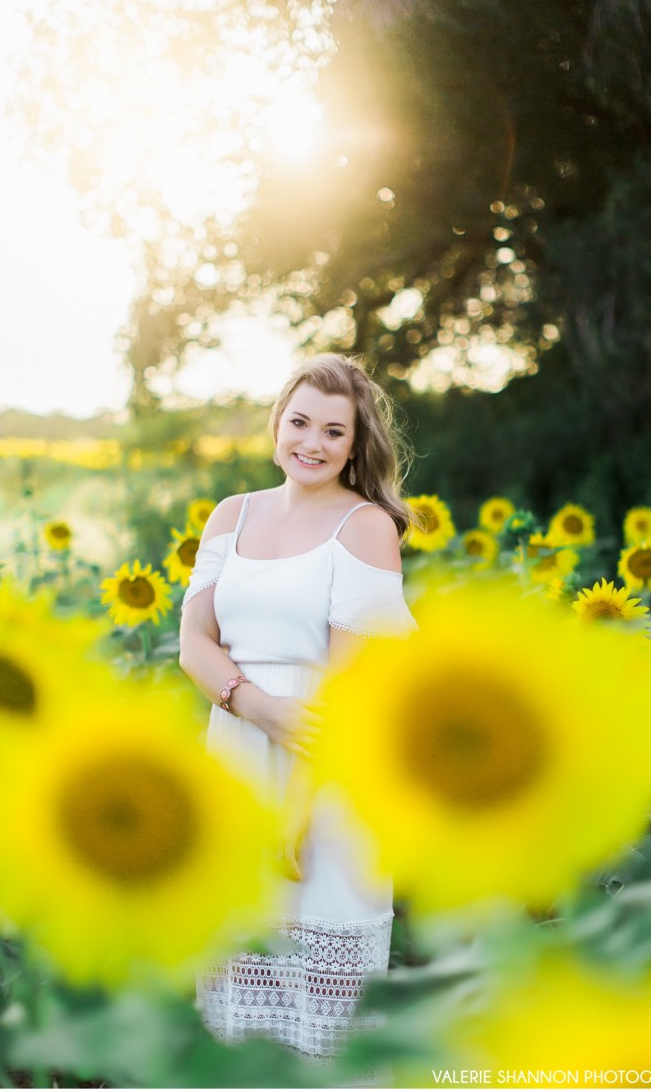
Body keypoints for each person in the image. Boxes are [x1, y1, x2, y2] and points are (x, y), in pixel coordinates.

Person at [179, 353, 417, 1062]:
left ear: (356, 444)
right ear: (277, 423)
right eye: (300, 421)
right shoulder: (233, 513)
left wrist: (298, 808)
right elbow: (194, 642)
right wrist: (259, 706)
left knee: (325, 995)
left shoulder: (366, 525)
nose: (312, 442)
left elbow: (349, 688)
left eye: (333, 431)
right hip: (236, 751)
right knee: (235, 974)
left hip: (325, 768)